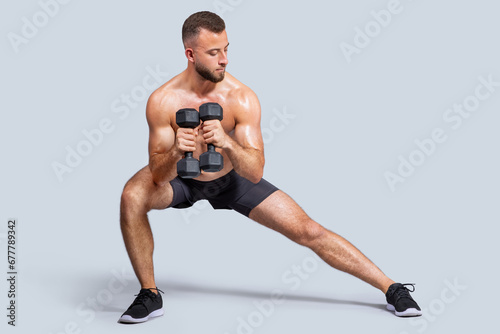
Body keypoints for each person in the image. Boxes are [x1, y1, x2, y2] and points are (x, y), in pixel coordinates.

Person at [118, 11, 422, 323]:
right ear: (190, 54)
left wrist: (226, 142)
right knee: (132, 197)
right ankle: (150, 294)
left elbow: (254, 171)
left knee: (309, 230)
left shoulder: (241, 98)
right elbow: (157, 173)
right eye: (213, 53)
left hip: (231, 179)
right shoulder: (163, 101)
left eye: (226, 49)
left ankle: (392, 288)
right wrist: (175, 153)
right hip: (183, 178)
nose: (224, 60)